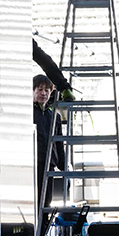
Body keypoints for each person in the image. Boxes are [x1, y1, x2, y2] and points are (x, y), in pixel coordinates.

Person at [33, 74, 66, 209]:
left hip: (49, 166)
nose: (43, 93)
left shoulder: (54, 117)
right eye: (40, 89)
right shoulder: (28, 113)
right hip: (32, 165)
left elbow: (59, 144)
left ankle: (44, 223)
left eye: (47, 90)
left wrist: (64, 167)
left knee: (46, 203)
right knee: (34, 202)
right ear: (32, 91)